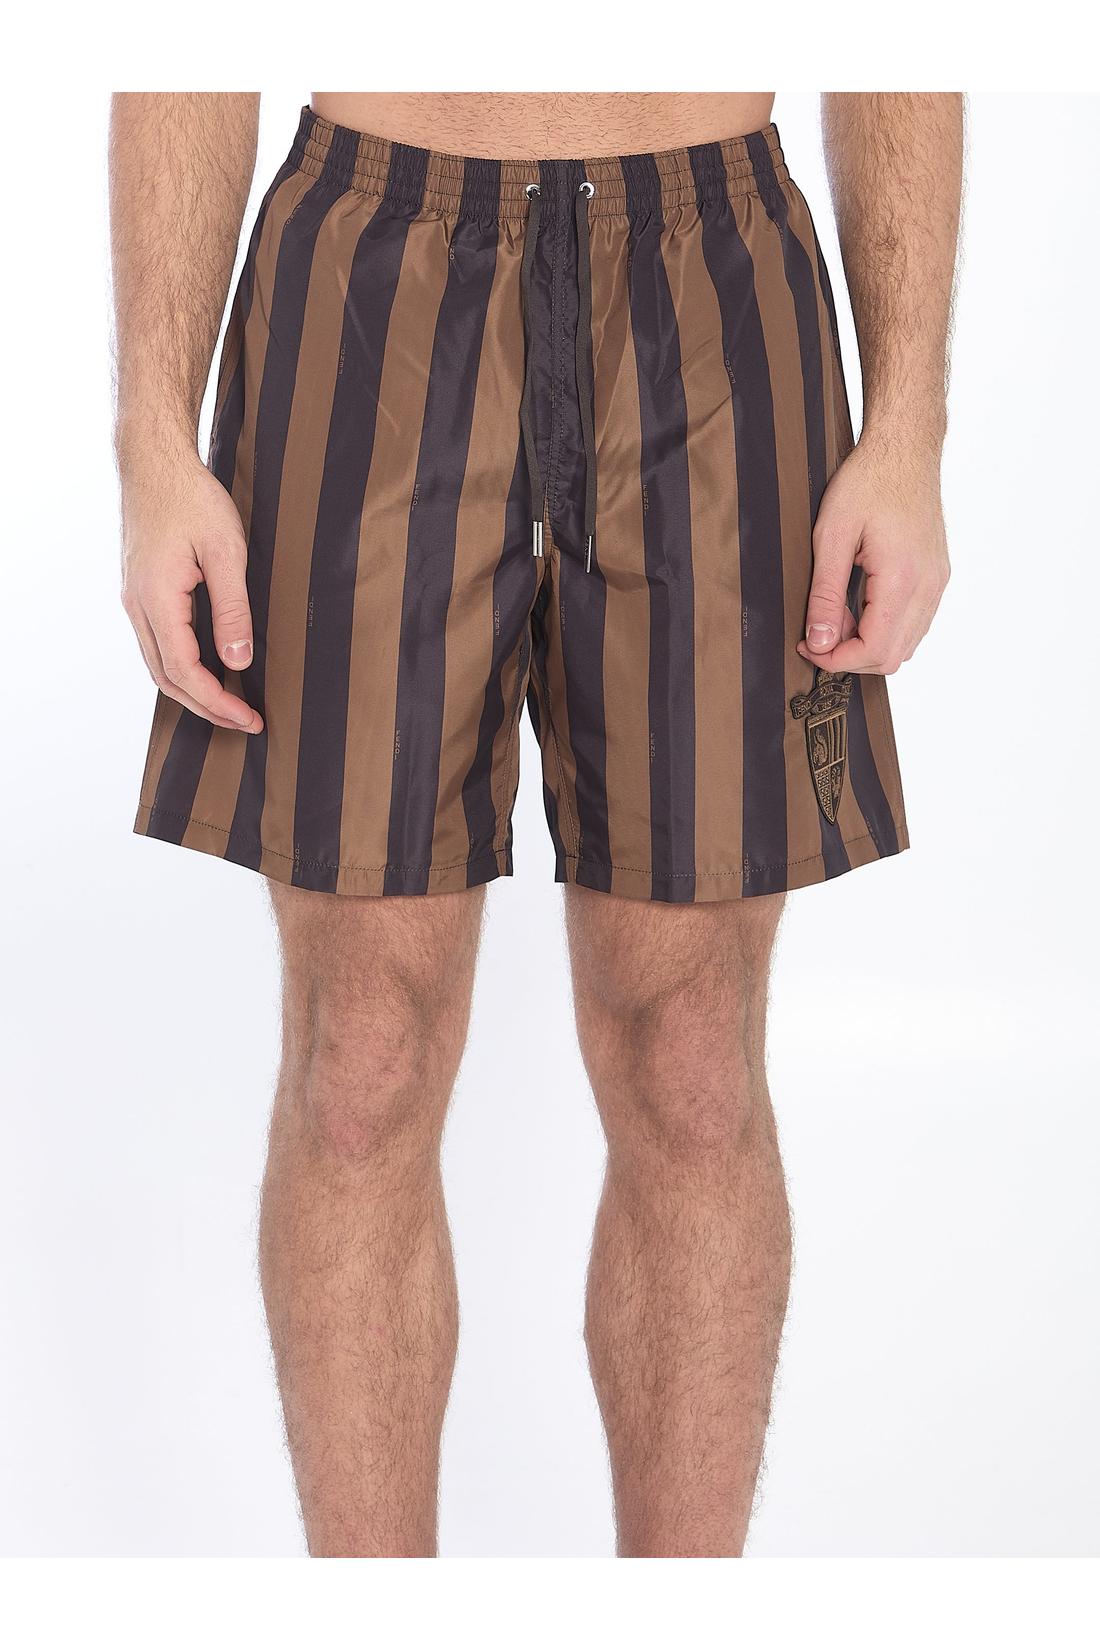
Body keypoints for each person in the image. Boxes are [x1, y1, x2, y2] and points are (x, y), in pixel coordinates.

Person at [110, 92, 962, 1557]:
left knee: (695, 1058)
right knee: (358, 1061)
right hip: (369, 269)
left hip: (715, 271)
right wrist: (148, 429)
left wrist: (910, 424)